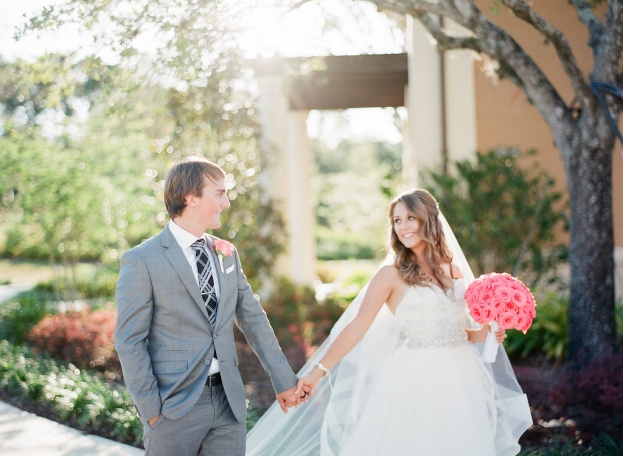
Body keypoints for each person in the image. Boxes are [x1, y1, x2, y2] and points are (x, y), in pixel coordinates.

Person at [246, 188, 532, 456]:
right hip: (417, 375)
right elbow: (358, 327)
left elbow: (456, 331)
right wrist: (318, 372)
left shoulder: (453, 270)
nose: (403, 226)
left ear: (429, 220)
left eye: (410, 218)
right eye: (397, 220)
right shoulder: (391, 274)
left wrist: (483, 334)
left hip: (462, 374)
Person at [115, 157, 303, 456]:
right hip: (173, 409)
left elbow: (253, 318)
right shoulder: (142, 260)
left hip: (228, 404)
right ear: (191, 197)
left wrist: (284, 381)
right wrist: (151, 410)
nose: (226, 203)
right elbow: (129, 340)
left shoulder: (226, 253)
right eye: (219, 193)